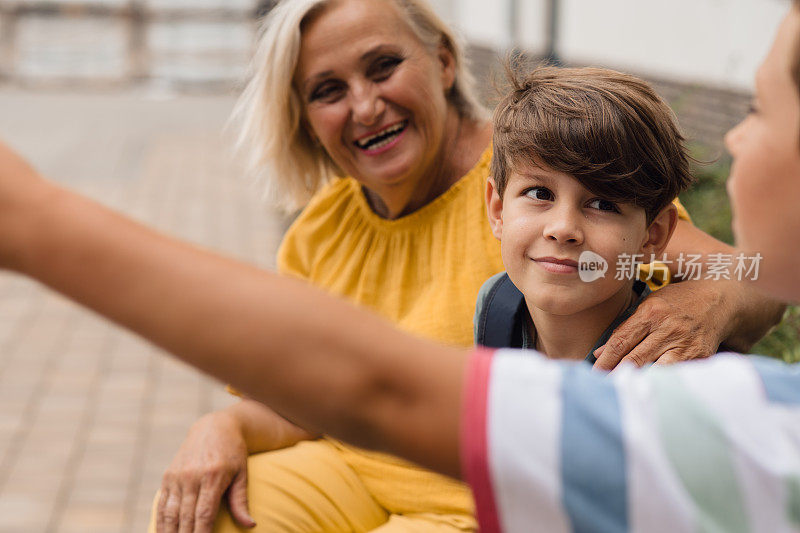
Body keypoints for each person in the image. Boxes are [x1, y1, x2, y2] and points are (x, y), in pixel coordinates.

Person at [0, 1, 797, 531]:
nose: (364, 104)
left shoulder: (540, 181)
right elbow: (305, 394)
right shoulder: (320, 231)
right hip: (352, 470)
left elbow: (751, 269)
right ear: (305, 119)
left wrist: (713, 305)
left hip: (474, 486)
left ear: (444, 61)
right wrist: (222, 422)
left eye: (382, 68)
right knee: (211, 511)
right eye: (327, 89)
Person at [473, 66, 693, 358]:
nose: (562, 228)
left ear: (652, 235)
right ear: (498, 210)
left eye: (603, 204)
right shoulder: (494, 307)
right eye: (540, 194)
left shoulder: (670, 368)